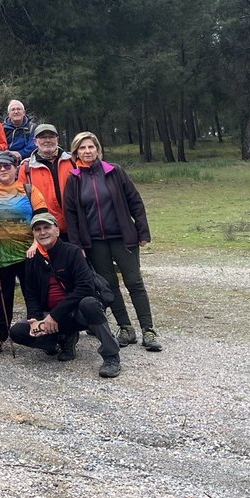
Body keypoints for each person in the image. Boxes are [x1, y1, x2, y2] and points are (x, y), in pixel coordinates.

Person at [62, 131, 161, 352]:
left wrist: (142, 232)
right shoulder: (74, 179)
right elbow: (71, 215)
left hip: (123, 238)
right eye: (82, 148)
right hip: (94, 243)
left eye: (91, 147)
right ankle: (125, 328)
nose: (87, 151)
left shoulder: (115, 171)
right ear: (76, 153)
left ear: (98, 149)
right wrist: (78, 246)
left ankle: (148, 330)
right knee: (109, 286)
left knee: (134, 282)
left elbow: (135, 201)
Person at [9, 214, 121, 379]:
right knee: (17, 331)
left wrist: (55, 315)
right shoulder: (32, 260)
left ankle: (111, 356)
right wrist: (34, 319)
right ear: (34, 234)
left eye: (47, 227)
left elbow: (85, 287)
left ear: (56, 230)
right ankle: (62, 339)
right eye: (38, 229)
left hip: (77, 312)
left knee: (90, 304)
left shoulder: (72, 252)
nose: (42, 232)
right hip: (51, 316)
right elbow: (31, 293)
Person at [0, 150, 48, 356]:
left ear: (15, 168)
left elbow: (43, 218)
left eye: (7, 166)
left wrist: (37, 244)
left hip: (29, 253)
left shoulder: (28, 190)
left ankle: (42, 332)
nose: (2, 170)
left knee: (34, 293)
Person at [18, 123, 75, 235]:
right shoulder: (26, 168)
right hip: (45, 229)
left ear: (57, 139)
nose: (47, 140)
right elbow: (22, 201)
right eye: (43, 137)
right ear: (35, 141)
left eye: (51, 137)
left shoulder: (72, 161)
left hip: (74, 225)